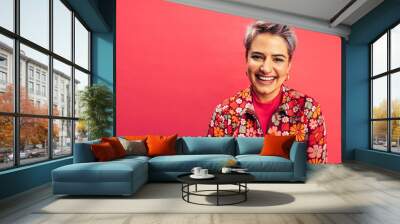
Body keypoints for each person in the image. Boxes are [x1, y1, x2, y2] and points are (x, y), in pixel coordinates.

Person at [207, 21, 327, 164]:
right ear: (246, 59)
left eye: (278, 59)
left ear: (289, 65)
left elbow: (316, 173)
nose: (266, 68)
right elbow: (215, 168)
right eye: (257, 57)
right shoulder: (224, 113)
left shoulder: (308, 110)